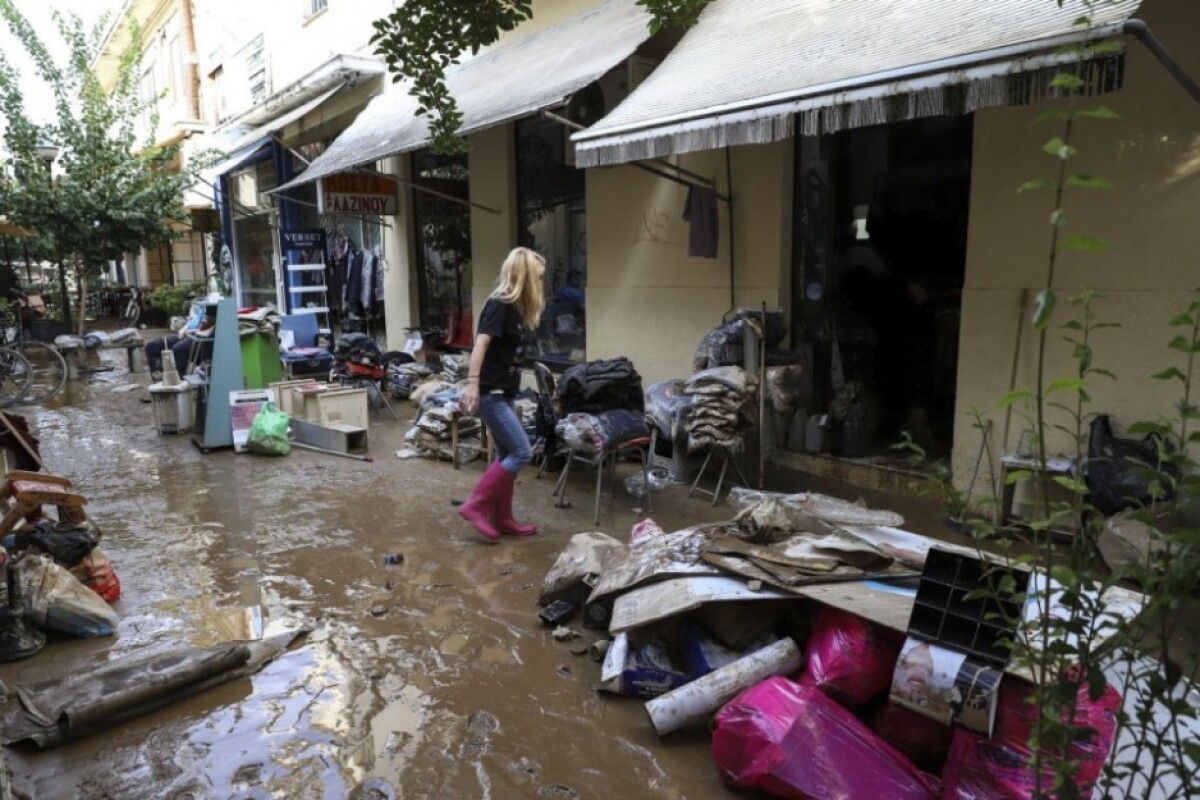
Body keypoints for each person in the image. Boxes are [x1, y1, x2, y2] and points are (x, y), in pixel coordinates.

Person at [457, 247, 546, 541]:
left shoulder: (517, 308)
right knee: (522, 451)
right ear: (526, 276)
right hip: (490, 394)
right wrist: (472, 383)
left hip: (504, 392)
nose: (541, 284)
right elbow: (480, 345)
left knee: (507, 454)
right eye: (539, 277)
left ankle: (504, 519)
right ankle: (475, 505)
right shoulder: (499, 304)